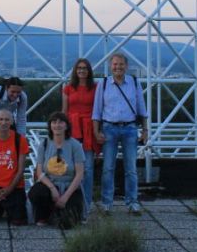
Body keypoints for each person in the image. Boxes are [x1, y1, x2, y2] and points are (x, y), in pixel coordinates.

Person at [92, 52, 148, 214]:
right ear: (110, 66)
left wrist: (145, 130)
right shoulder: (103, 84)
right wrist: (96, 131)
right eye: (115, 64)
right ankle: (106, 203)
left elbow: (141, 108)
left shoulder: (134, 83)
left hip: (130, 128)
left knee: (131, 168)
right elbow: (97, 110)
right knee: (108, 167)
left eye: (121, 64)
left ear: (127, 66)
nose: (118, 67)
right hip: (109, 128)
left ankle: (132, 202)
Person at [28, 112, 85, 229]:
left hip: (69, 186)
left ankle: (59, 212)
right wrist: (52, 188)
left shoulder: (76, 145)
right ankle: (44, 215)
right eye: (54, 122)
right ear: (50, 125)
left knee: (68, 224)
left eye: (61, 122)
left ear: (67, 126)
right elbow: (39, 171)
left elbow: (79, 174)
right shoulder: (44, 144)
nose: (57, 125)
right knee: (37, 193)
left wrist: (65, 197)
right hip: (49, 184)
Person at [62, 58, 98, 218]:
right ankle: (73, 202)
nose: (82, 71)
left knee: (88, 169)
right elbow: (64, 111)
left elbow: (98, 110)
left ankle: (86, 204)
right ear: (75, 71)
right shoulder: (68, 88)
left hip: (89, 129)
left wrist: (98, 130)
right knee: (71, 168)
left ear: (89, 71)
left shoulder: (96, 88)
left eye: (84, 68)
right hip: (73, 129)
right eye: (79, 68)